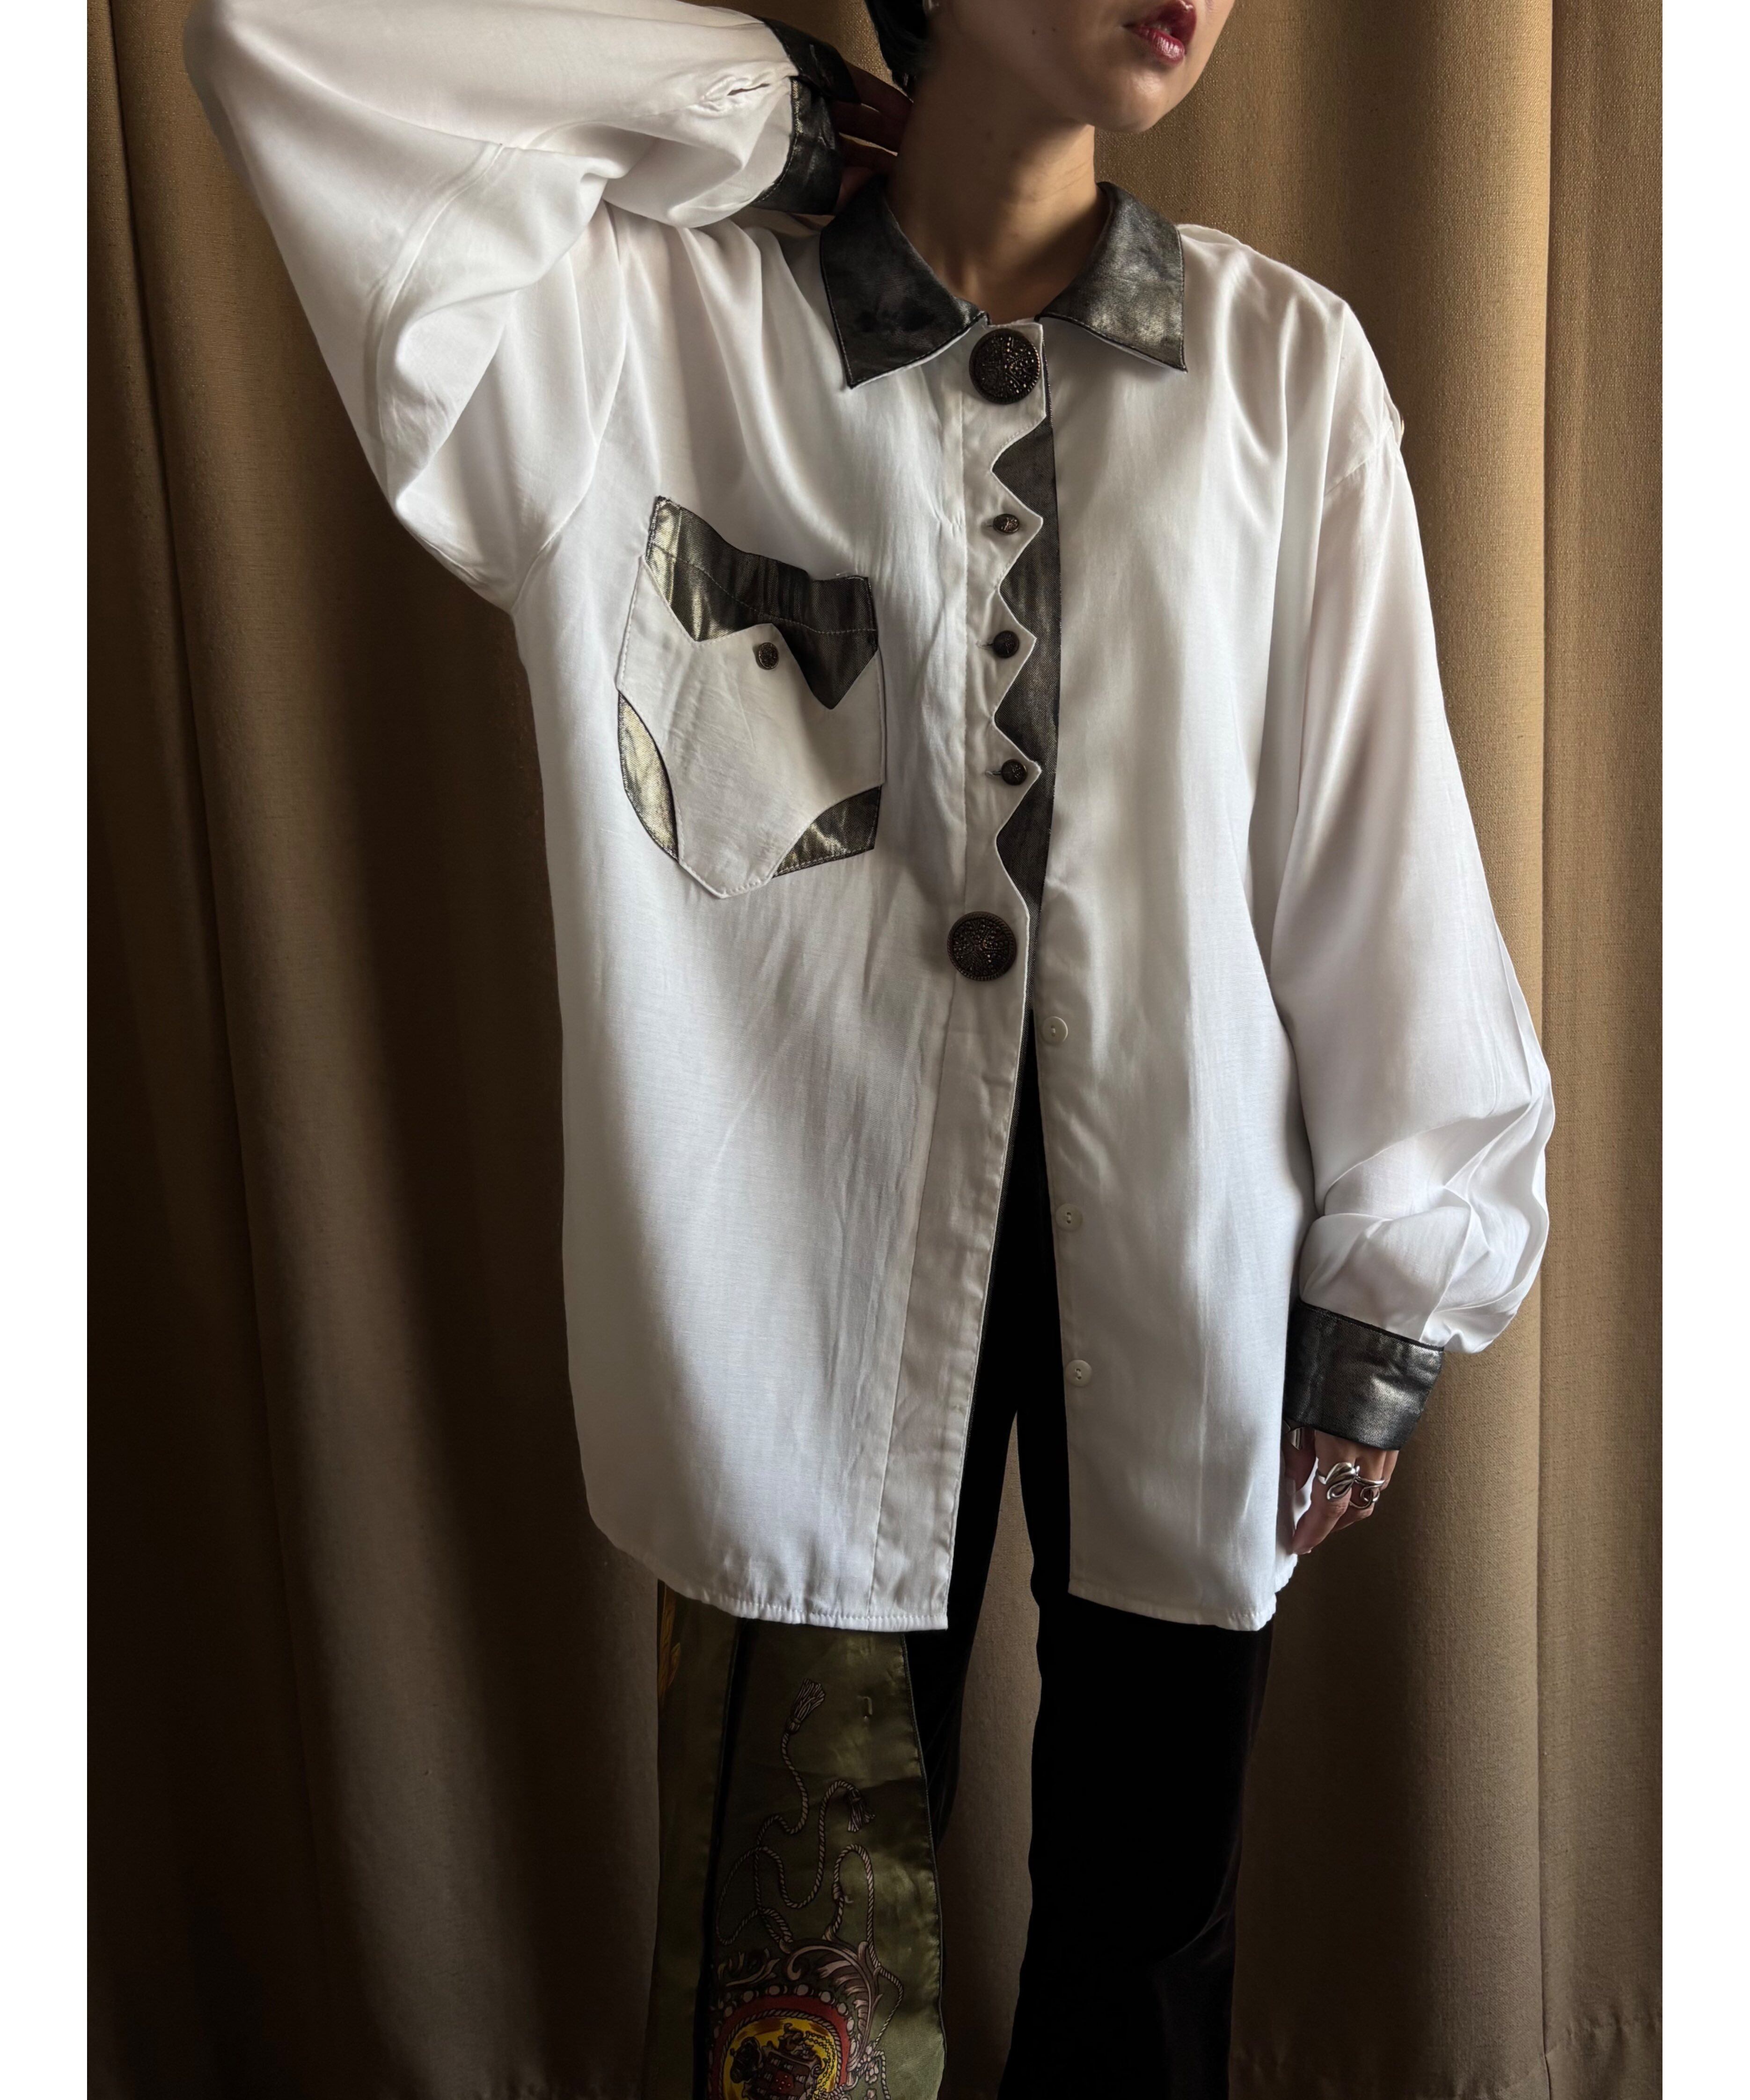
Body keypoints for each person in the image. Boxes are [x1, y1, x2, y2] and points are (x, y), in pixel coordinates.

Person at [184, 0, 1555, 2092]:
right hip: (788, 1263)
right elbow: (279, 39)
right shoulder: (635, 332)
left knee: (1149, 1921)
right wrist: (784, 112)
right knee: (799, 1956)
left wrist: (1396, 1276)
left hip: (1181, 1243)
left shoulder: (1278, 365)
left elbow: (1367, 833)